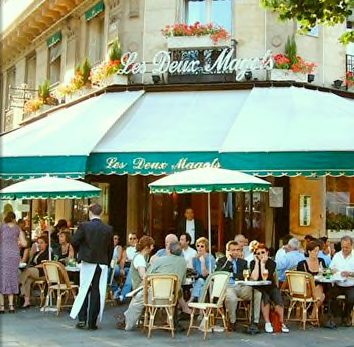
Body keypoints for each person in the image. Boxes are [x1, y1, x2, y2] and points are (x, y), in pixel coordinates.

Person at [70, 203, 113, 331]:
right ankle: (92, 322)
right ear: (101, 213)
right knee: (96, 291)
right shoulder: (108, 229)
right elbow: (110, 248)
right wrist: (107, 261)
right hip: (101, 263)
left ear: (90, 213)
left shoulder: (84, 226)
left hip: (87, 262)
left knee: (83, 289)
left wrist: (80, 253)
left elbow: (74, 241)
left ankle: (82, 319)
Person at [216, 240, 261, 331]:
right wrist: (229, 262)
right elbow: (219, 274)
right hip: (228, 287)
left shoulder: (243, 262)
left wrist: (232, 274)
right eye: (233, 250)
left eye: (237, 250)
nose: (235, 252)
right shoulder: (221, 261)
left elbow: (245, 274)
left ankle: (255, 321)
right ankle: (232, 321)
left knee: (257, 293)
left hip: (242, 286)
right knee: (231, 298)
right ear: (228, 251)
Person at [116, 235, 155, 331]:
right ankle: (127, 320)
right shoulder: (140, 258)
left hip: (141, 288)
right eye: (152, 246)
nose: (153, 248)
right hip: (140, 288)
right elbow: (143, 276)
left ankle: (127, 318)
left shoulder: (142, 257)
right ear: (147, 247)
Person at [250, 243, 289, 333]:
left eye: (262, 252)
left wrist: (263, 264)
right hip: (259, 287)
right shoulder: (253, 263)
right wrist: (257, 263)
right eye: (258, 253)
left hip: (270, 286)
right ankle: (267, 322)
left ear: (267, 252)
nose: (260, 255)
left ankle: (281, 322)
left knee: (278, 299)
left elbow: (265, 278)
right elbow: (255, 278)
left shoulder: (272, 263)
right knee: (265, 298)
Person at [324, 236, 354, 329]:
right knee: (329, 296)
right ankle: (330, 318)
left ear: (352, 246)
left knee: (351, 298)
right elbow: (331, 268)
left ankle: (346, 316)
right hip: (338, 284)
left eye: (347, 247)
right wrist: (332, 270)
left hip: (351, 284)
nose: (344, 249)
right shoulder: (337, 255)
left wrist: (350, 273)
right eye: (343, 247)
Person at [0, 212, 26, 313]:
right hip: (14, 255)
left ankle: (2, 307)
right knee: (12, 277)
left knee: (2, 277)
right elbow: (24, 243)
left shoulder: (2, 227)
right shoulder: (17, 229)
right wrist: (17, 242)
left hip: (3, 254)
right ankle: (11, 306)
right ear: (14, 219)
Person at [297, 240, 326, 319]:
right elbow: (299, 279)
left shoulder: (321, 261)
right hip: (306, 288)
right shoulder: (302, 263)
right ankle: (313, 316)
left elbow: (325, 275)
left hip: (319, 286)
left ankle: (312, 315)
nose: (316, 253)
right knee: (321, 295)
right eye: (314, 251)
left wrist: (323, 271)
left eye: (318, 251)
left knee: (320, 287)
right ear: (309, 251)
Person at [19, 235, 49, 308]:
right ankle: (27, 302)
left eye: (41, 243)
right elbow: (31, 263)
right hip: (34, 272)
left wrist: (36, 266)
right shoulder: (36, 253)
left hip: (43, 273)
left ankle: (19, 285)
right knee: (28, 280)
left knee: (27, 271)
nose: (39, 244)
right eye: (38, 243)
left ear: (46, 243)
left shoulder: (48, 253)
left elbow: (46, 264)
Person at [190, 237, 215, 302]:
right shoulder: (195, 258)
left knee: (201, 280)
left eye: (202, 246)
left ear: (206, 248)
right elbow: (195, 272)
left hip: (208, 279)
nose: (199, 248)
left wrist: (203, 262)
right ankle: (201, 310)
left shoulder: (210, 258)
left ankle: (191, 299)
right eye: (198, 246)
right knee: (201, 287)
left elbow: (205, 274)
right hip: (197, 280)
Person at [118, 233, 138, 303]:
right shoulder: (126, 249)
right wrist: (121, 269)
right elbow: (123, 260)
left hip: (137, 268)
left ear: (137, 240)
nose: (132, 240)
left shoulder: (140, 249)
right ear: (129, 240)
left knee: (131, 273)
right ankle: (121, 295)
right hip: (128, 268)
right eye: (130, 238)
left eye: (134, 238)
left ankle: (122, 296)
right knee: (129, 272)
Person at [110, 235, 124, 300]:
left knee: (110, 272)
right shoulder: (108, 247)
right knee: (107, 273)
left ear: (118, 241)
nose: (114, 240)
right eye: (113, 239)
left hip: (115, 265)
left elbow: (118, 258)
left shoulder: (119, 247)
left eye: (116, 239)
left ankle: (115, 289)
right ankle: (116, 289)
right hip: (109, 265)